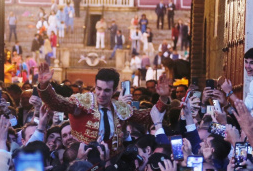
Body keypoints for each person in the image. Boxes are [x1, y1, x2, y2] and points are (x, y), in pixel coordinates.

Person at [36, 62, 170, 152]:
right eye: (98, 89)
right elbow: (56, 103)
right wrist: (44, 86)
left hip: (113, 163)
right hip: (83, 161)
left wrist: (163, 98)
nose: (101, 94)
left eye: (107, 90)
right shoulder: (83, 102)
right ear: (95, 85)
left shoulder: (120, 108)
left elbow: (147, 116)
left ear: (114, 90)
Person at [221, 47, 253, 111]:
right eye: (246, 62)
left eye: (252, 63)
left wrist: (229, 92)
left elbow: (246, 109)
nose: (247, 66)